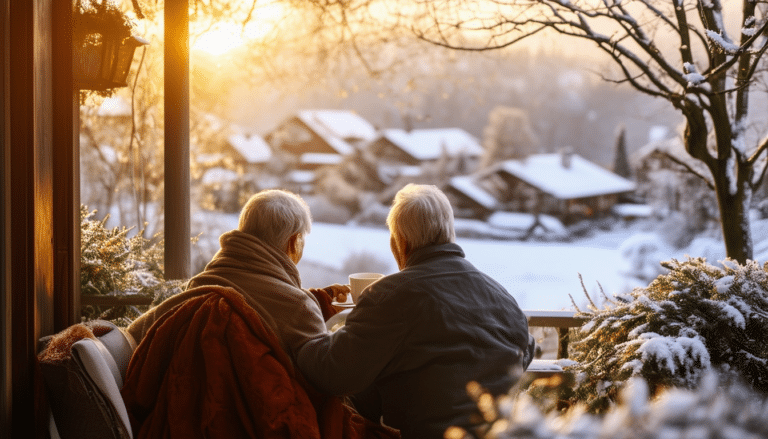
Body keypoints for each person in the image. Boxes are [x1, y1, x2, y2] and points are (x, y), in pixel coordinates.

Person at [297, 184, 536, 439]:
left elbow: (333, 373)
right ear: (450, 233)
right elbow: (526, 349)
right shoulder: (502, 297)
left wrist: (302, 334)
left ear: (399, 241)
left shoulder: (389, 296)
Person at [126, 189, 345, 363]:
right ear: (293, 242)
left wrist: (317, 301)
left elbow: (133, 336)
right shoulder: (296, 307)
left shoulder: (201, 287)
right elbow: (325, 375)